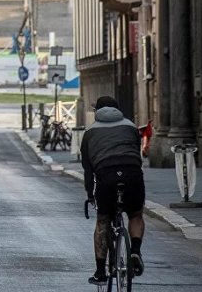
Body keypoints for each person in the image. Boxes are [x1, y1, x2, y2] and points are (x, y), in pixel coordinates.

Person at [81, 96, 146, 284]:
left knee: (103, 221)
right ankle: (134, 251)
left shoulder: (90, 132)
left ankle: (100, 272)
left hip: (106, 176)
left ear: (97, 112)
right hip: (132, 173)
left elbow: (88, 169)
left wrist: (90, 194)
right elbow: (137, 154)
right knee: (135, 214)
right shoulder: (131, 126)